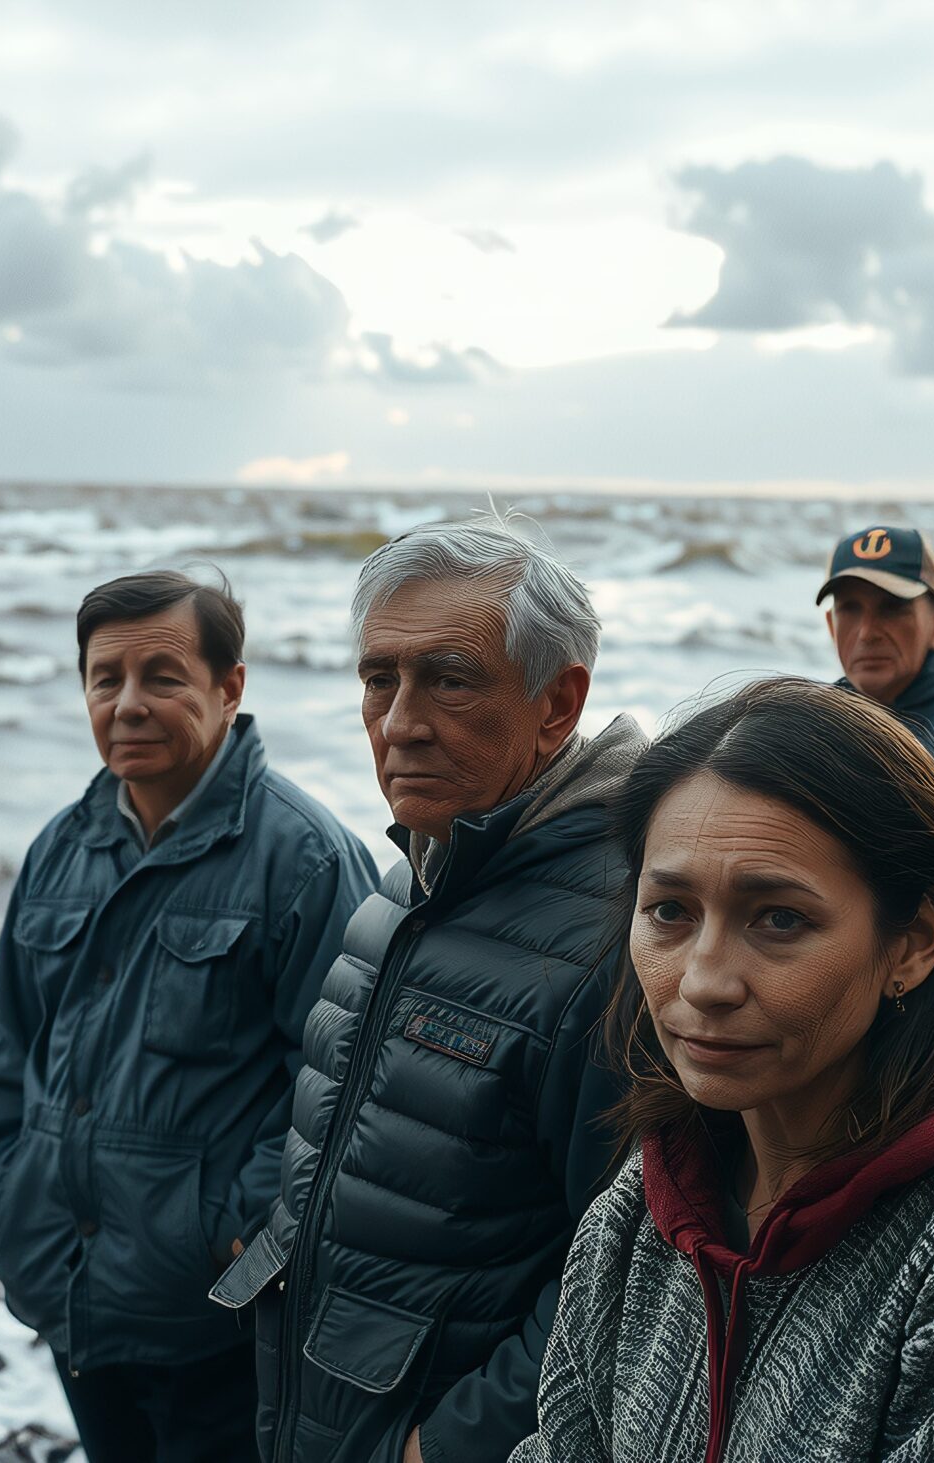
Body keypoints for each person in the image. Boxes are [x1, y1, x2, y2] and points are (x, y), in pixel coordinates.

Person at [513, 677, 934, 1463]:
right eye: (670, 911)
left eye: (779, 918)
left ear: (912, 944)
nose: (705, 981)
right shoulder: (647, 1205)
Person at [209, 518, 646, 1463]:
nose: (400, 719)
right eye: (379, 679)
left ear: (557, 703)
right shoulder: (415, 870)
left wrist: (445, 1445)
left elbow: (627, 1274)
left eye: (448, 678)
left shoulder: (625, 936)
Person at [0, 568, 378, 1463]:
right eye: (104, 678)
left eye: (162, 676)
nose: (128, 703)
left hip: (210, 1323)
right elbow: (3, 1040)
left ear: (230, 686)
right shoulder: (61, 845)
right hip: (70, 1290)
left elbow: (340, 1085)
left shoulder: (304, 859)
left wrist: (239, 1237)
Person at [817, 524, 934, 765]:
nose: (867, 633)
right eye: (850, 609)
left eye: (892, 608)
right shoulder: (810, 742)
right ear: (831, 625)